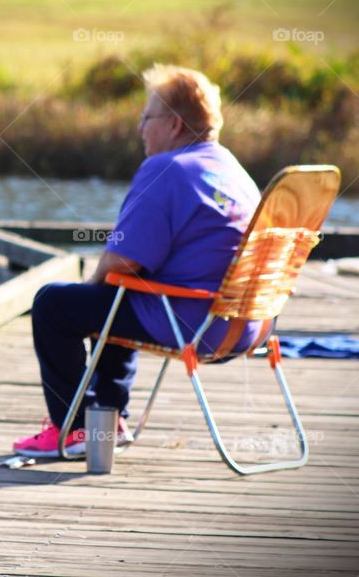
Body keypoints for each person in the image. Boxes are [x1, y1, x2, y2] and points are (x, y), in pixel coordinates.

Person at [13, 64, 262, 458]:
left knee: (55, 304)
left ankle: (76, 429)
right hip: (245, 326)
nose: (140, 128)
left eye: (147, 118)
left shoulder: (168, 168)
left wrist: (93, 282)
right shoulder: (235, 171)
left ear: (175, 125)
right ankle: (108, 421)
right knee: (117, 298)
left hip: (195, 323)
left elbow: (122, 263)